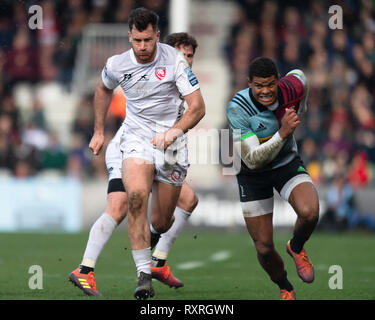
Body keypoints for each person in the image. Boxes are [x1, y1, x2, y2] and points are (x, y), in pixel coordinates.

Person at [69, 8, 205, 300]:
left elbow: (198, 107)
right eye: (136, 40)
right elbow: (103, 89)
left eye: (147, 40)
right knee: (134, 198)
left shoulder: (175, 61)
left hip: (171, 147)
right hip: (135, 139)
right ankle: (143, 275)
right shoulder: (118, 64)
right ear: (129, 37)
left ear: (157, 35)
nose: (142, 47)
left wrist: (173, 133)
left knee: (161, 222)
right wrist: (98, 131)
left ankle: (152, 254)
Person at [226, 57, 319, 300]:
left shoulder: (292, 88)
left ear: (278, 81)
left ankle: (295, 247)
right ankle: (286, 287)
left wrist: (303, 107)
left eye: (270, 84)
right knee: (264, 247)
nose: (265, 91)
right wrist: (283, 132)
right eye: (259, 86)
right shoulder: (237, 108)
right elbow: (253, 159)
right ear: (249, 84)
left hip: (286, 164)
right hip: (252, 174)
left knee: (310, 212)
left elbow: (301, 75)